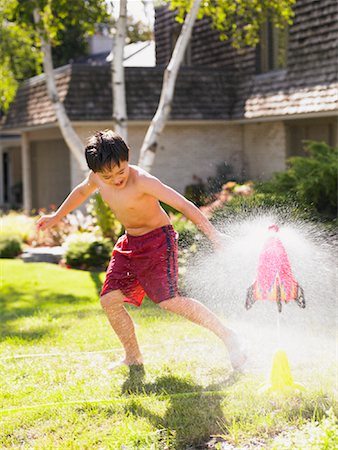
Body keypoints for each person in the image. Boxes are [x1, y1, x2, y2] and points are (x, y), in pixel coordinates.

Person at [37, 130, 246, 371]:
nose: (116, 179)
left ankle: (229, 335)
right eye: (107, 176)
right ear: (96, 173)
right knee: (109, 300)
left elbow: (183, 205)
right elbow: (82, 191)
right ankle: (133, 356)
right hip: (130, 242)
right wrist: (56, 216)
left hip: (158, 241)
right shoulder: (96, 179)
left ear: (128, 159)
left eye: (120, 171)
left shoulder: (144, 181)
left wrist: (214, 235)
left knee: (169, 301)